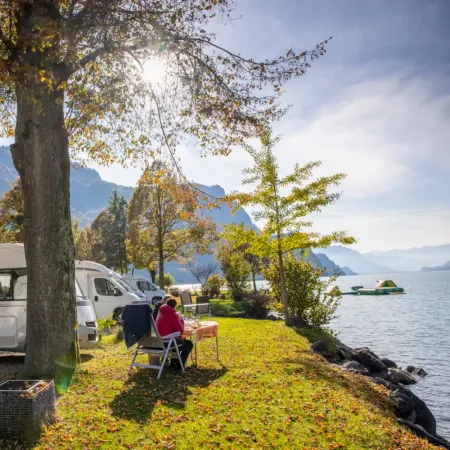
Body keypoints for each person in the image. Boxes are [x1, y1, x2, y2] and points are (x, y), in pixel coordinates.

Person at [156, 297, 193, 370]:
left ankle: (173, 362)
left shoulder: (161, 311)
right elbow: (181, 330)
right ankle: (179, 365)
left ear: (166, 304)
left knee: (178, 340)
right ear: (175, 306)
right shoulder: (173, 314)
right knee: (188, 344)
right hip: (167, 341)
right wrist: (181, 319)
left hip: (158, 340)